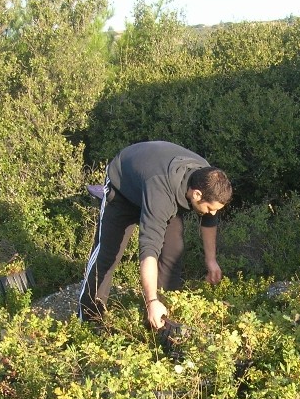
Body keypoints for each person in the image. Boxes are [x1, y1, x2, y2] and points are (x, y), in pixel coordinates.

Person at [78, 141, 233, 329]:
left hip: (157, 188)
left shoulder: (206, 177)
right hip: (123, 191)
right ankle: (89, 321)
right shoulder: (162, 194)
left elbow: (209, 220)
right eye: (210, 208)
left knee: (172, 255)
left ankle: (163, 325)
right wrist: (151, 300)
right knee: (107, 256)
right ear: (197, 195)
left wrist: (211, 260)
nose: (213, 213)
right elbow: (149, 250)